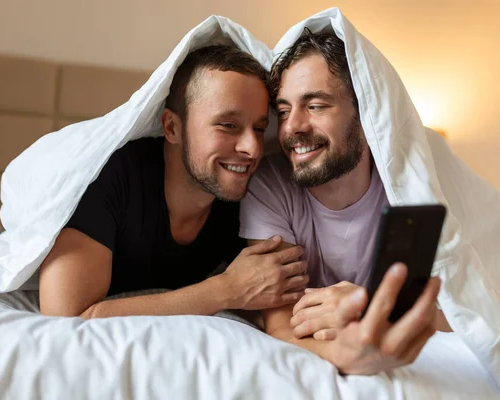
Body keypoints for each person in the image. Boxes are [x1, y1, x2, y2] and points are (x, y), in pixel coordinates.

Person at [38, 45, 309, 318]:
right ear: (172, 128)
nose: (252, 148)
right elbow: (65, 319)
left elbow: (268, 298)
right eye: (228, 125)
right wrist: (225, 290)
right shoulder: (111, 176)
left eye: (260, 129)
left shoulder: (244, 196)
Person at [239, 29, 450, 375]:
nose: (291, 128)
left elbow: (466, 315)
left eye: (316, 105)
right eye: (283, 110)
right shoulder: (269, 184)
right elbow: (280, 327)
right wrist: (349, 354)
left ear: (367, 116)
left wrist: (361, 308)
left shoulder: (410, 187)